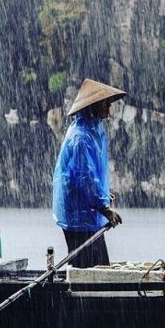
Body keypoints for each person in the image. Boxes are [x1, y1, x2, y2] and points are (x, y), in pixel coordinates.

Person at [52, 78, 126, 268]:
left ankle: (89, 295)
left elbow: (94, 173)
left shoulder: (94, 129)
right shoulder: (81, 137)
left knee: (98, 266)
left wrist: (102, 196)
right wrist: (104, 208)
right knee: (90, 268)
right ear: (93, 106)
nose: (109, 108)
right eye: (105, 104)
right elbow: (85, 177)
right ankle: (85, 296)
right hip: (78, 213)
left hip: (85, 210)